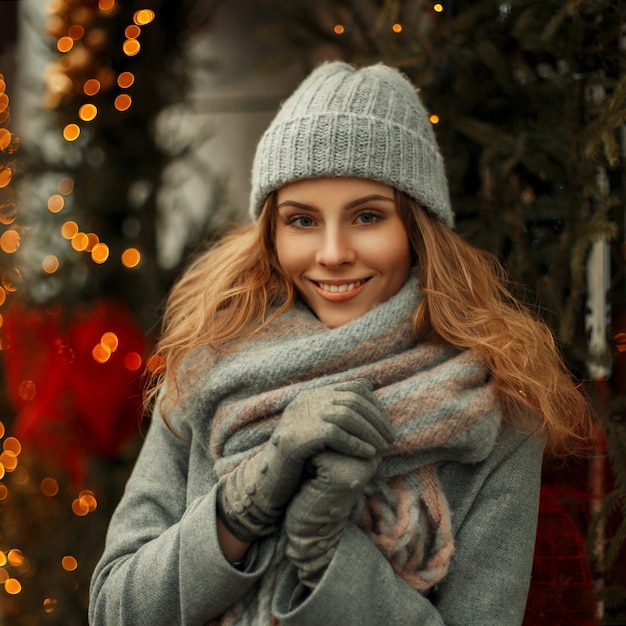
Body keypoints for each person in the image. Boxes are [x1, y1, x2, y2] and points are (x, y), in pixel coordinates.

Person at [89, 61, 593, 625]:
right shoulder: (209, 367)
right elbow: (114, 608)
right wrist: (243, 504)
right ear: (272, 232)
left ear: (416, 227)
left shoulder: (497, 413)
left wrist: (326, 547)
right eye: (302, 221)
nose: (332, 253)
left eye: (368, 216)